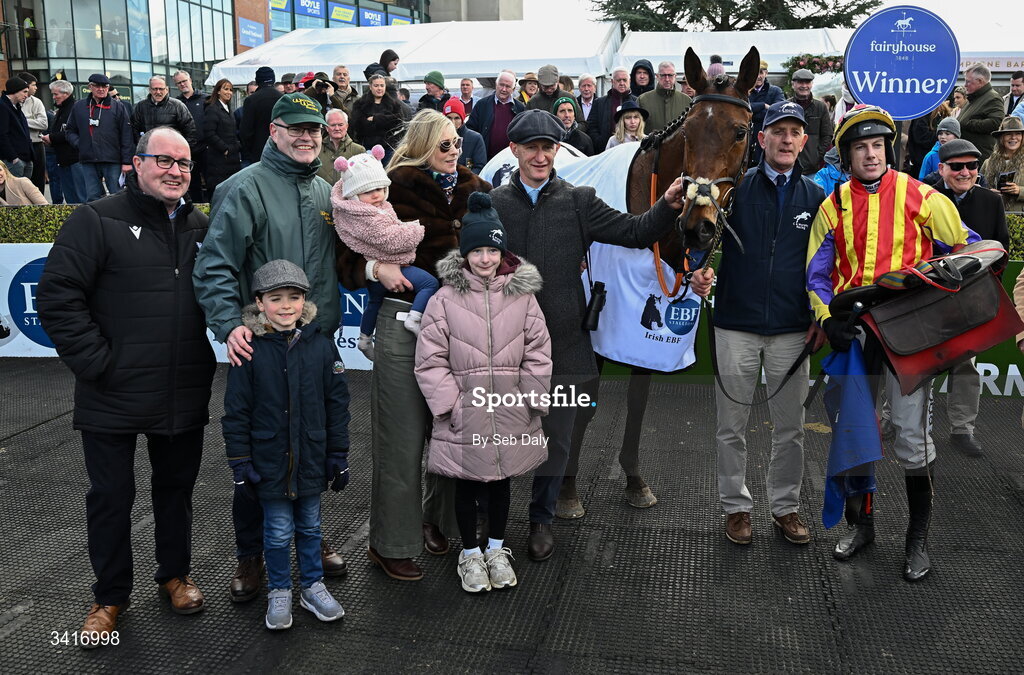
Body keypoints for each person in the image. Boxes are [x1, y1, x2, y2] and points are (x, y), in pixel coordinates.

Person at [489, 110, 709, 560]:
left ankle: (541, 520)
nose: (540, 155)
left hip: (566, 343)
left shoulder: (579, 200)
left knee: (557, 439)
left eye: (547, 147)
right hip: (506, 343)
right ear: (513, 150)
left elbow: (633, 232)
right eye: (530, 147)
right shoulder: (492, 203)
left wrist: (666, 206)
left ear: (556, 151)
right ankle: (492, 530)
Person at [36, 127, 216, 645]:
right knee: (112, 497)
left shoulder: (200, 224)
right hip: (110, 391)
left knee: (176, 493)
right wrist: (98, 364)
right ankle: (110, 597)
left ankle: (175, 576)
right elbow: (57, 297)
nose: (175, 171)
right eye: (163, 160)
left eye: (183, 163)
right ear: (136, 164)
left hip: (182, 388)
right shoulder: (95, 219)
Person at [806, 104, 978, 582]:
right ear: (846, 155)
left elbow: (968, 250)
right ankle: (863, 527)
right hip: (856, 339)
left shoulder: (923, 196)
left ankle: (917, 539)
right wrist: (828, 319)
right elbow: (816, 278)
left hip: (907, 338)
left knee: (910, 436)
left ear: (891, 148)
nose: (871, 154)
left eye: (878, 145)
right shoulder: (831, 205)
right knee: (857, 435)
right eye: (861, 147)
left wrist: (941, 308)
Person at [193, 92, 347, 602]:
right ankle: (250, 555)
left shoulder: (327, 191)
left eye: (315, 131)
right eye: (296, 128)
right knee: (257, 456)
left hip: (314, 344)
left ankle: (310, 541)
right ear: (273, 131)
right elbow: (214, 266)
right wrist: (227, 323)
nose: (307, 137)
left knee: (312, 442)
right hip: (260, 347)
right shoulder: (243, 188)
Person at [334, 110, 490, 581]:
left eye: (458, 142)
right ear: (423, 144)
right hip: (403, 320)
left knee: (450, 429)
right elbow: (345, 255)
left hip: (458, 322)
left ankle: (436, 521)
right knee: (400, 436)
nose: (455, 151)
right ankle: (391, 543)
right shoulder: (389, 185)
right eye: (445, 144)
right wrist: (373, 269)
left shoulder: (475, 188)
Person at [414, 192, 552, 593]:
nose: (486, 259)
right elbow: (430, 360)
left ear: (502, 251)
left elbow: (538, 351)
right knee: (467, 482)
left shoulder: (522, 297)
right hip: (466, 412)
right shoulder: (444, 299)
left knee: (501, 482)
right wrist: (451, 406)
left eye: (493, 250)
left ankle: (496, 548)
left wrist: (530, 398)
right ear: (465, 254)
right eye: (478, 251)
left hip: (508, 409)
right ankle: (470, 554)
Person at [715, 101, 826, 546]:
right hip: (735, 324)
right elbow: (701, 239)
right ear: (761, 139)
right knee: (731, 426)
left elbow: (825, 264)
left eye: (794, 132)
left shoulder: (817, 197)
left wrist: (821, 314)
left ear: (803, 141)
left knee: (791, 429)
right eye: (777, 130)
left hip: (792, 329)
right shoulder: (735, 187)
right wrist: (699, 269)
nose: (785, 139)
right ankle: (736, 508)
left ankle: (785, 507)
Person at [223, 259, 350, 631]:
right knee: (277, 532)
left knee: (310, 527)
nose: (286, 306)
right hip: (268, 462)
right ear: (259, 303)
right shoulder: (248, 350)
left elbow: (337, 404)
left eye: (294, 297)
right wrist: (240, 461)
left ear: (304, 301)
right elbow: (236, 411)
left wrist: (338, 454)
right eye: (275, 298)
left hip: (310, 458)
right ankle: (280, 590)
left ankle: (312, 586)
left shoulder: (322, 346)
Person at [932, 138, 1009, 457]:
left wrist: (982, 294)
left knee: (966, 365)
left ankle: (963, 428)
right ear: (941, 169)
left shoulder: (991, 201)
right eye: (957, 166)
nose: (965, 172)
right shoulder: (924, 195)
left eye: (972, 166)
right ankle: (897, 421)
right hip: (929, 298)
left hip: (972, 298)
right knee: (917, 363)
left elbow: (1001, 249)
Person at [331, 144, 438, 355]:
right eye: (368, 191)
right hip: (392, 269)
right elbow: (389, 238)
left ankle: (364, 338)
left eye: (380, 189)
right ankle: (414, 318)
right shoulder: (364, 215)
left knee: (374, 301)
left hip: (382, 274)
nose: (377, 195)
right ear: (354, 195)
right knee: (429, 283)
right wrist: (416, 229)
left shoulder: (377, 208)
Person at [66, 73, 134, 201]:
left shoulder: (118, 106)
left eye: (105, 86)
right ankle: (97, 221)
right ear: (90, 87)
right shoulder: (79, 106)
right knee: (92, 197)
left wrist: (126, 161)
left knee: (117, 195)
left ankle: (118, 220)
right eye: (97, 86)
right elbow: (70, 130)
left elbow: (126, 134)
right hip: (88, 160)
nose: (101, 89)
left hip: (112, 160)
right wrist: (80, 144)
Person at [466, 71, 525, 160]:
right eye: (501, 85)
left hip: (511, 159)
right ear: (496, 85)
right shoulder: (482, 105)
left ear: (513, 89)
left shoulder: (520, 108)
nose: (503, 89)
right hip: (485, 158)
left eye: (508, 86)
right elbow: (471, 130)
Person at [349, 73, 404, 164]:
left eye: (382, 85)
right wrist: (386, 122)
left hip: (388, 147)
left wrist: (376, 119)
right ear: (370, 87)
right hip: (367, 146)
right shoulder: (361, 104)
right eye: (376, 85)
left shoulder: (393, 104)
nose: (379, 88)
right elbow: (358, 124)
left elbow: (398, 121)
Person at [43, 79, 81, 204]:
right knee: (71, 198)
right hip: (64, 159)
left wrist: (52, 138)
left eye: (56, 94)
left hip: (74, 160)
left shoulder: (74, 109)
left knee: (77, 198)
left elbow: (71, 132)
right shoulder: (63, 109)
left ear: (66, 94)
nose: (54, 97)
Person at [203, 78, 242, 198]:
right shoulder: (212, 109)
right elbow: (209, 133)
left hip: (231, 159)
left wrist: (236, 146)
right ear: (218, 91)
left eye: (231, 90)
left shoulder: (228, 109)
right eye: (226, 89)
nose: (229, 92)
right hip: (219, 161)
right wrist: (224, 149)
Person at [788, 68, 833, 171]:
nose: (804, 86)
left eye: (807, 82)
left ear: (812, 84)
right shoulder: (787, 106)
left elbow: (827, 135)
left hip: (812, 169)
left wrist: (816, 156)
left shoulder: (820, 107)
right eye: (800, 82)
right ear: (793, 84)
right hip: (788, 167)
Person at [958, 64, 1004, 162]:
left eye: (968, 81)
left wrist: (969, 124)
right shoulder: (974, 98)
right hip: (970, 154)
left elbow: (996, 123)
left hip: (980, 157)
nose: (965, 85)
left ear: (980, 81)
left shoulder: (993, 98)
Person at [174, 70, 207, 202]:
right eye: (179, 83)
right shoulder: (175, 103)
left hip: (205, 149)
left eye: (184, 81)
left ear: (191, 81)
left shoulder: (206, 100)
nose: (182, 84)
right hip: (186, 151)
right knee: (192, 184)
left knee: (210, 182)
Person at [239, 66, 283, 167]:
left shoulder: (251, 100)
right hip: (281, 151)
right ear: (273, 79)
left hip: (258, 153)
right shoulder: (282, 98)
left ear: (257, 81)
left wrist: (249, 151)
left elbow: (245, 131)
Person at [980, 116, 1024, 212]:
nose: (1013, 137)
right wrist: (988, 193)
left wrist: (1019, 191)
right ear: (1001, 138)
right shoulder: (988, 162)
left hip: (1019, 221)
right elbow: (977, 189)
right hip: (992, 216)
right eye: (1008, 134)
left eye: (1018, 133)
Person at [588, 68, 636, 153]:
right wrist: (599, 141)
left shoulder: (637, 101)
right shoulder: (599, 102)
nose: (622, 83)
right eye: (618, 80)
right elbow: (591, 126)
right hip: (605, 151)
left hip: (631, 151)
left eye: (624, 80)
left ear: (630, 81)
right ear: (612, 81)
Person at [747, 60, 785, 164]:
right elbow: (742, 108)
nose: (758, 76)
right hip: (747, 138)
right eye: (755, 73)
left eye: (761, 72)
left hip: (769, 138)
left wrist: (753, 111)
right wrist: (763, 105)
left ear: (766, 73)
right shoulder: (744, 92)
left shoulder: (775, 91)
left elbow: (779, 110)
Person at [638, 61, 691, 134]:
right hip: (652, 144)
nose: (667, 79)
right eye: (663, 75)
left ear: (675, 76)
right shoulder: (643, 100)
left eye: (670, 75)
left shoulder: (686, 100)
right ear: (657, 76)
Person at [16, 73, 48, 192]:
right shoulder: (12, 103)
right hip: (19, 146)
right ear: (25, 86)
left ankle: (40, 207)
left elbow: (44, 124)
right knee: (21, 181)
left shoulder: (37, 102)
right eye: (33, 85)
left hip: (36, 144)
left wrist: (22, 120)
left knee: (38, 179)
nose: (36, 88)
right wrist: (32, 120)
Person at [317, 109, 365, 184]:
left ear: (347, 126)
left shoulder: (359, 150)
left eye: (340, 125)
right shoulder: (317, 149)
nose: (337, 128)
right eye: (333, 125)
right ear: (326, 128)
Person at [0, 77, 34, 179]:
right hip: (14, 161)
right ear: (14, 90)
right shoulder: (2, 106)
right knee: (14, 193)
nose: (26, 95)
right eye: (24, 92)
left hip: (25, 159)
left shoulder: (16, 106)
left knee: (24, 193)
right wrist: (13, 158)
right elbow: (2, 135)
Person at [443, 98, 487, 173]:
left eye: (457, 118)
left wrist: (465, 182)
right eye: (449, 118)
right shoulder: (437, 138)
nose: (452, 122)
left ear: (462, 119)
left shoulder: (475, 138)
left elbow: (480, 167)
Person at [918, 116, 960, 181]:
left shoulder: (962, 155)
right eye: (940, 133)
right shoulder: (930, 156)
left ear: (956, 136)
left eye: (947, 134)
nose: (943, 137)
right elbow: (922, 180)